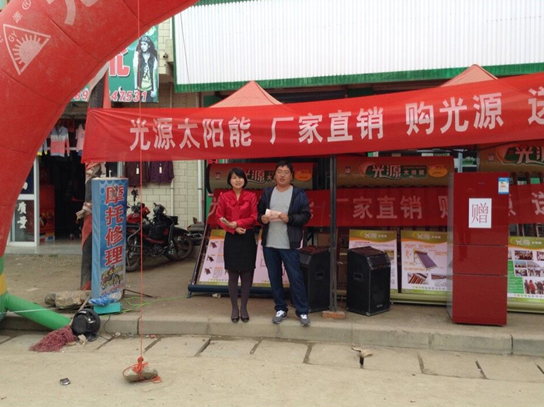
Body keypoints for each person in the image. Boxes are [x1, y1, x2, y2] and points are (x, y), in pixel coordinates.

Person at [258, 161, 311, 327]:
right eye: (279, 172)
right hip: (270, 243)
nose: (282, 175)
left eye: (286, 172)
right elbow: (259, 213)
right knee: (274, 277)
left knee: (295, 277)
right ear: (274, 175)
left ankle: (302, 311)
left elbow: (306, 215)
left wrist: (290, 218)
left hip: (289, 244)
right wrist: (262, 219)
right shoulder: (268, 192)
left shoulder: (298, 193)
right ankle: (280, 308)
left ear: (291, 176)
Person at [216, 167, 258, 323]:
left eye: (240, 177)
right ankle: (234, 308)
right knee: (233, 274)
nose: (237, 180)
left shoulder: (251, 196)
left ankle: (244, 308)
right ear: (229, 180)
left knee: (247, 274)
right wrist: (233, 228)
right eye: (234, 177)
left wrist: (238, 223)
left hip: (247, 237)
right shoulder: (224, 196)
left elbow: (254, 217)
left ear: (244, 180)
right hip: (232, 237)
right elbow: (219, 217)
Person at [133, 35, 158, 102]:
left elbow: (154, 76)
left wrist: (154, 90)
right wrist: (135, 89)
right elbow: (135, 73)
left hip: (149, 90)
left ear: (149, 45)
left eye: (144, 44)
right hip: (139, 89)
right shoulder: (137, 56)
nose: (142, 46)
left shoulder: (153, 58)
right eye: (141, 44)